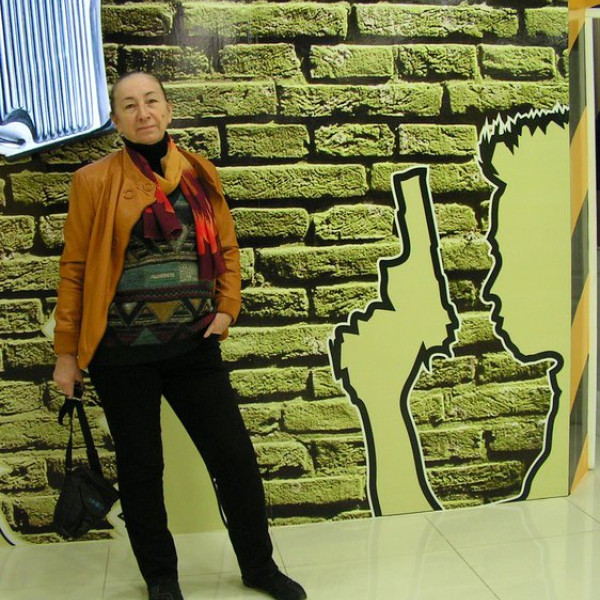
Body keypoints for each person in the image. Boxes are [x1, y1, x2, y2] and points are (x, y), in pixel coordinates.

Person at [53, 71, 307, 600]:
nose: (142, 112)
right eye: (129, 105)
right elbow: (74, 271)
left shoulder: (198, 172)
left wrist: (227, 308)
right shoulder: (92, 181)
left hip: (193, 344)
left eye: (151, 101)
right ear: (116, 120)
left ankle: (259, 566)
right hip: (121, 354)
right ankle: (162, 579)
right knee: (142, 470)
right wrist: (66, 355)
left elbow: (228, 248)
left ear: (168, 110)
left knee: (234, 460)